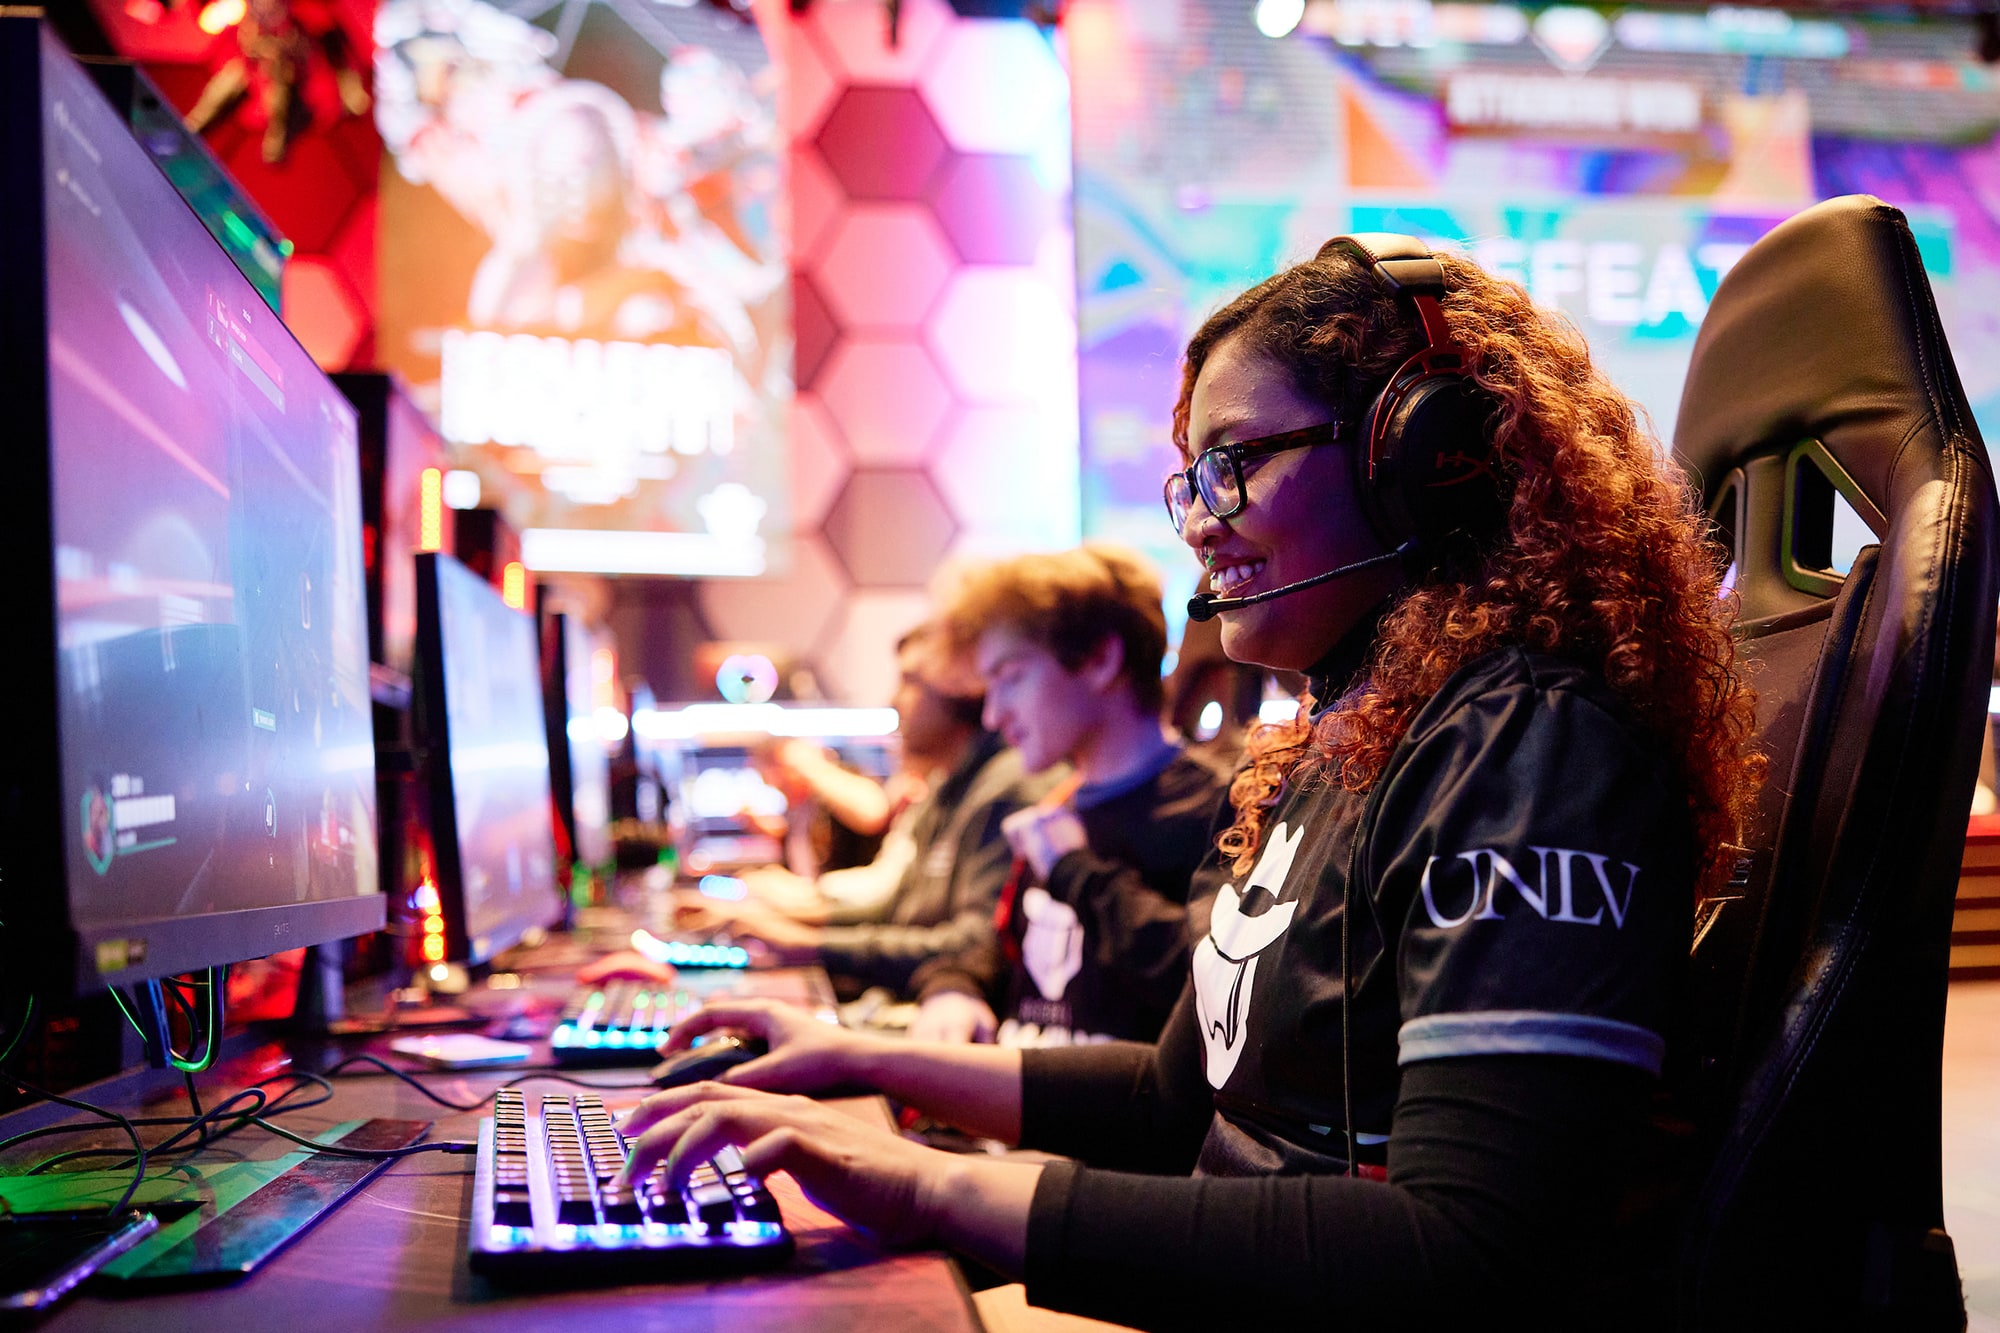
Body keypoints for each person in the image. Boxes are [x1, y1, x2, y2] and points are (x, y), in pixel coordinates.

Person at [617, 235, 1762, 1327]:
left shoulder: (1531, 746)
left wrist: (926, 1186)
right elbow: (1171, 1105)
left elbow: (1465, 1254)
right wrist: (851, 1057)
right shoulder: (1354, 735)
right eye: (1191, 480)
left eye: (1232, 465)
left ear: (1420, 453)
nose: (1202, 524)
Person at [908, 545, 1233, 1046]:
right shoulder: (1057, 805)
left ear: (1100, 659)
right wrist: (955, 987)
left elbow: (1218, 982)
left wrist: (1075, 870)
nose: (993, 716)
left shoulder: (1214, 811)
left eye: (1011, 678)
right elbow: (994, 951)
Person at [674, 622, 1055, 1000]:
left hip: (929, 1007)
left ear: (962, 687)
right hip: (909, 997)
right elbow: (895, 907)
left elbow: (974, 947)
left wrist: (811, 943)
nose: (895, 700)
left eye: (910, 681)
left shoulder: (1007, 786)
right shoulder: (949, 788)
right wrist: (790, 928)